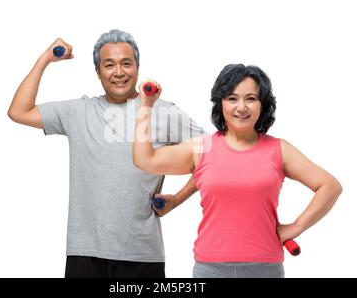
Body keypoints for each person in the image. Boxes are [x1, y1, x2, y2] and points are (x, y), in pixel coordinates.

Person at [7, 29, 204, 278]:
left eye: (126, 63)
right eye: (109, 65)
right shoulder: (79, 111)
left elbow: (212, 154)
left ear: (137, 67)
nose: (119, 72)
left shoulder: (162, 111)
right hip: (85, 254)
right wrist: (45, 58)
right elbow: (19, 111)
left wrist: (177, 198)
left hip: (141, 255)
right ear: (98, 72)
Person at [133, 64, 342, 278]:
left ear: (263, 105)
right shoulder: (201, 148)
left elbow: (330, 186)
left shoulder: (279, 149)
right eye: (232, 98)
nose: (241, 107)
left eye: (250, 98)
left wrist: (296, 227)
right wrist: (146, 106)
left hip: (265, 269)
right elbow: (145, 160)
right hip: (211, 269)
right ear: (220, 104)